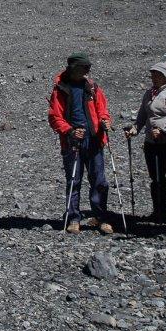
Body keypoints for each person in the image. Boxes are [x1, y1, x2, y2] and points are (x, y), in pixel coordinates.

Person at [47, 53, 113, 235]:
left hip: (94, 140)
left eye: (87, 69)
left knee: (99, 181)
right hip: (72, 142)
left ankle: (101, 217)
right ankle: (73, 218)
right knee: (74, 180)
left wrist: (105, 121)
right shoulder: (61, 89)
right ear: (73, 68)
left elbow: (103, 110)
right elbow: (54, 117)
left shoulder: (92, 88)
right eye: (84, 68)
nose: (87, 72)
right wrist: (69, 130)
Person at [126, 62, 166, 231]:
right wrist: (135, 129)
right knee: (156, 178)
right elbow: (143, 115)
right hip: (152, 142)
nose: (153, 77)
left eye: (157, 74)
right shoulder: (149, 93)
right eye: (153, 74)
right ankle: (159, 211)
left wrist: (164, 131)